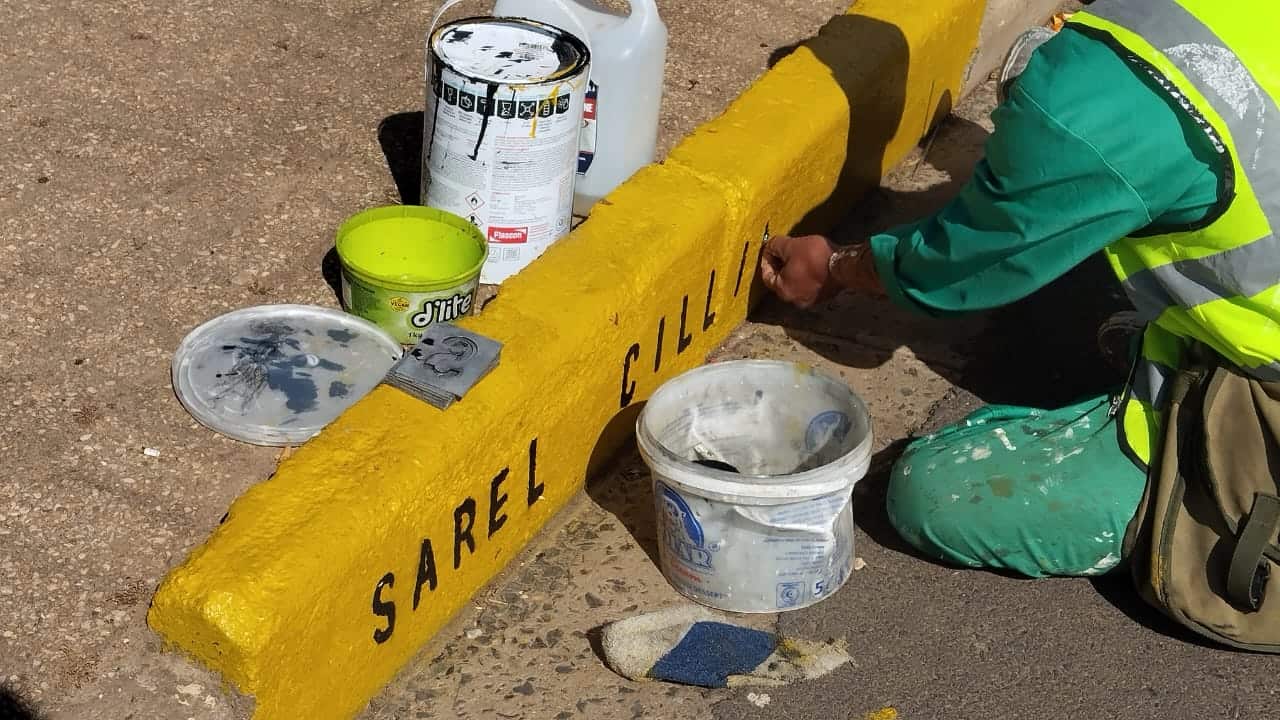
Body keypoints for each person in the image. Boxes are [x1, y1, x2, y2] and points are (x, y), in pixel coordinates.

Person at [760, 0, 1280, 580]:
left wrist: (835, 268)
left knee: (934, 495)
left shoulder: (1091, 101)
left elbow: (958, 262)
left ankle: (1198, 505)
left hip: (1263, 408)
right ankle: (1188, 347)